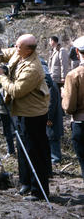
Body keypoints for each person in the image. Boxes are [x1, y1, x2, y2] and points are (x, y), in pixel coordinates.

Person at [0, 34, 51, 201]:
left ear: (29, 49)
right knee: (23, 150)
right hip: (20, 112)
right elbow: (8, 52)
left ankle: (39, 191)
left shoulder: (33, 68)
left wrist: (0, 75)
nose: (15, 48)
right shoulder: (21, 52)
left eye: (19, 46)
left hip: (33, 114)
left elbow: (16, 90)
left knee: (34, 152)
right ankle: (25, 183)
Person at [62, 36, 84, 180]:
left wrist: (64, 95)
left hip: (81, 124)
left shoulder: (74, 75)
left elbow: (69, 107)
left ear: (77, 51)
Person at [41, 59, 64, 165]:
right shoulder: (49, 82)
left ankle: (55, 158)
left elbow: (50, 103)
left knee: (52, 137)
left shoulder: (48, 83)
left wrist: (48, 118)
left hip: (52, 117)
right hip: (52, 116)